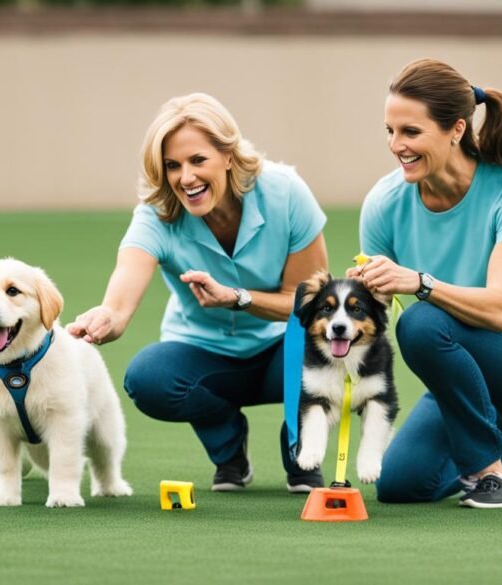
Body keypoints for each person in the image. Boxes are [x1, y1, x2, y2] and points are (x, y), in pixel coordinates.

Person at [66, 93, 329, 493]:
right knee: (148, 377)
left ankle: (300, 453)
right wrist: (107, 318)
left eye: (197, 160)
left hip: (281, 350)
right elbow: (121, 292)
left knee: (336, 348)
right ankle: (229, 449)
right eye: (172, 166)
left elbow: (307, 302)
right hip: (204, 353)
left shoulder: (286, 192)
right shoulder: (156, 214)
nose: (185, 178)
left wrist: (238, 297)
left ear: (228, 154)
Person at [351, 59, 502, 509]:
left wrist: (418, 282)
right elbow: (379, 310)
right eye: (389, 131)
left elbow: (501, 310)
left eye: (410, 132)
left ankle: (489, 475)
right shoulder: (382, 203)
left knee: (420, 321)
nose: (396, 145)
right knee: (400, 486)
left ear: (456, 129)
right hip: (454, 370)